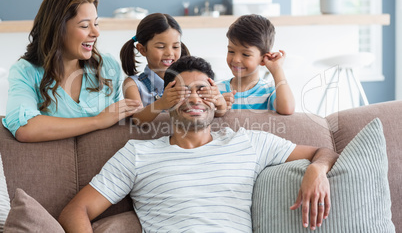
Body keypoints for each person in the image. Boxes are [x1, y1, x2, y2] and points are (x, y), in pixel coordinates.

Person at [58, 56, 339, 232]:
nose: (193, 99)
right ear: (167, 101)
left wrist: (316, 170)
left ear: (215, 97)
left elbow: (323, 151)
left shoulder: (248, 142)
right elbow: (75, 211)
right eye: (181, 91)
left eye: (202, 90)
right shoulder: (138, 153)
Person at [1, 0, 141, 142]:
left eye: (96, 23)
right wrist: (98, 121)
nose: (96, 33)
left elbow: (121, 120)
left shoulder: (107, 66)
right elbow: (24, 128)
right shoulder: (26, 71)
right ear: (57, 29)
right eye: (85, 26)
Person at [120, 13, 226, 125]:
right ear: (142, 49)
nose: (169, 53)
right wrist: (161, 103)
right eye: (160, 47)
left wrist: (220, 101)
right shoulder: (133, 84)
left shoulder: (192, 80)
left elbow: (216, 114)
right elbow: (136, 120)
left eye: (175, 46)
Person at [218, 14, 295, 114]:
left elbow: (287, 109)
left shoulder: (269, 91)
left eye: (245, 54)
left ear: (263, 59)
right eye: (231, 51)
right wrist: (217, 105)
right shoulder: (217, 91)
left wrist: (277, 70)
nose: (236, 59)